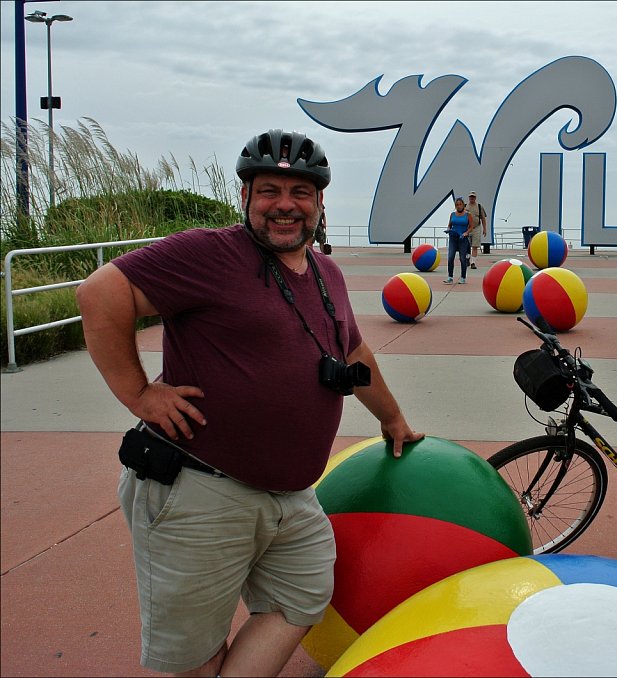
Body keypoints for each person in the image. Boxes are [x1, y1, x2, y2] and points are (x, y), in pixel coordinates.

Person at [75, 128, 423, 676]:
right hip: (199, 490)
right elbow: (100, 293)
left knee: (304, 593)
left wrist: (393, 417)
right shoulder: (210, 254)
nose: (285, 205)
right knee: (195, 655)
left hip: (290, 497)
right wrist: (140, 393)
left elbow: (352, 350)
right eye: (268, 191)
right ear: (245, 198)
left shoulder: (326, 273)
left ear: (319, 203)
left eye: (300, 193)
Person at [443, 196, 474, 284]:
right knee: (450, 257)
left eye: (460, 204)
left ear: (463, 205)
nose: (459, 206)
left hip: (462, 238)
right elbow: (449, 225)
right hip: (453, 237)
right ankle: (450, 277)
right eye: (457, 205)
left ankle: (463, 277)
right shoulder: (452, 214)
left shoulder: (468, 215)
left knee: (462, 258)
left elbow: (471, 227)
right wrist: (448, 229)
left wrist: (466, 233)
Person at [464, 191, 487, 269]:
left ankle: (473, 262)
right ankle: (467, 259)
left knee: (475, 246)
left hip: (476, 227)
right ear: (469, 198)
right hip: (467, 228)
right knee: (466, 245)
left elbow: (483, 218)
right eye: (470, 197)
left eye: (473, 197)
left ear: (475, 198)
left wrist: (484, 229)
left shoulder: (479, 207)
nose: (472, 198)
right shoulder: (465, 206)